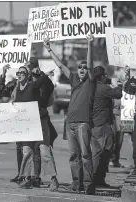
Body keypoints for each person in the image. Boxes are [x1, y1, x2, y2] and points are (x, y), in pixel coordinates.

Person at [43, 34, 96, 195]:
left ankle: (88, 185)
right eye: (79, 67)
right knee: (74, 156)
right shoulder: (73, 79)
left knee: (86, 155)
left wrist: (89, 44)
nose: (81, 69)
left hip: (83, 124)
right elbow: (60, 65)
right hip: (70, 123)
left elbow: (91, 64)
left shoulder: (90, 81)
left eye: (84, 68)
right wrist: (49, 49)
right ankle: (76, 183)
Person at [5, 66, 59, 191]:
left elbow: (42, 82)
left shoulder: (32, 86)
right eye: (18, 73)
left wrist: (44, 74)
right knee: (26, 151)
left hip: (40, 122)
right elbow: (13, 102)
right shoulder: (17, 89)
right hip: (27, 125)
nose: (19, 74)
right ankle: (27, 179)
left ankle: (54, 180)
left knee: (44, 151)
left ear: (28, 75)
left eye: (22, 73)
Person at [91, 66, 122, 187]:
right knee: (105, 153)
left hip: (94, 125)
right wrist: (116, 84)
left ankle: (93, 179)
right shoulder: (104, 88)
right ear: (102, 76)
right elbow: (118, 94)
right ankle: (98, 179)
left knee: (96, 153)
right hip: (104, 125)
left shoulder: (92, 87)